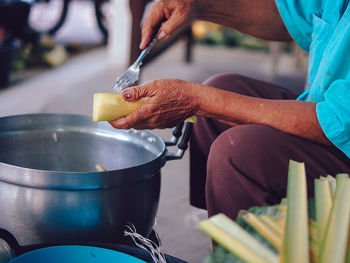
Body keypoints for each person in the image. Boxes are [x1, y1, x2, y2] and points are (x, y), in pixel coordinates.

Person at [109, 0, 350, 220]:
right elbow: (294, 18)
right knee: (221, 90)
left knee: (239, 152)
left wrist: (197, 100)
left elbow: (337, 119)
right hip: (329, 110)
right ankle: (227, 238)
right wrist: (197, 6)